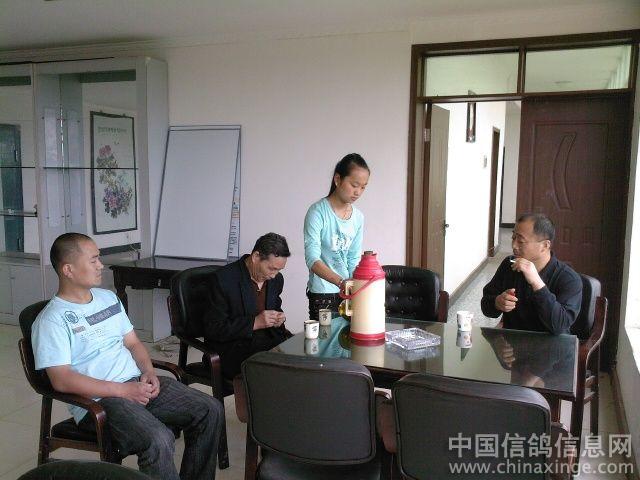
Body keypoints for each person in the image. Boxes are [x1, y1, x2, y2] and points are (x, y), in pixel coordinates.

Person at [32, 233, 222, 480]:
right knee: (158, 439)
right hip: (101, 401)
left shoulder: (108, 298)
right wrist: (122, 391)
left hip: (136, 385)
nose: (101, 265)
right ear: (68, 269)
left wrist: (148, 372)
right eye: (93, 260)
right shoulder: (52, 320)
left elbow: (133, 343)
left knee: (210, 409)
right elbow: (61, 379)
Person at [202, 232, 292, 379]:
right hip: (233, 349)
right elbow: (214, 328)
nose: (274, 275)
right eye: (271, 268)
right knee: (277, 373)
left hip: (267, 343)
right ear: (256, 257)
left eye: (279, 270)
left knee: (300, 361)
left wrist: (278, 319)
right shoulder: (223, 279)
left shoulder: (276, 280)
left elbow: (276, 308)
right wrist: (254, 323)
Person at [481, 213, 582, 334]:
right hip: (513, 340)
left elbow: (559, 326)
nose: (514, 245)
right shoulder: (509, 265)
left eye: (521, 241)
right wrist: (497, 303)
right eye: (513, 238)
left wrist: (536, 282)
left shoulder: (569, 279)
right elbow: (486, 306)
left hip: (551, 343)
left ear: (545, 245)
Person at [304, 153, 370, 319]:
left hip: (348, 293)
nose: (358, 192)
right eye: (354, 185)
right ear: (338, 179)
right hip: (323, 294)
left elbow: (353, 258)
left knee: (352, 335)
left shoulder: (358, 217)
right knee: (324, 336)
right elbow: (312, 259)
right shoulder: (317, 212)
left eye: (363, 187)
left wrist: (355, 287)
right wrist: (341, 282)